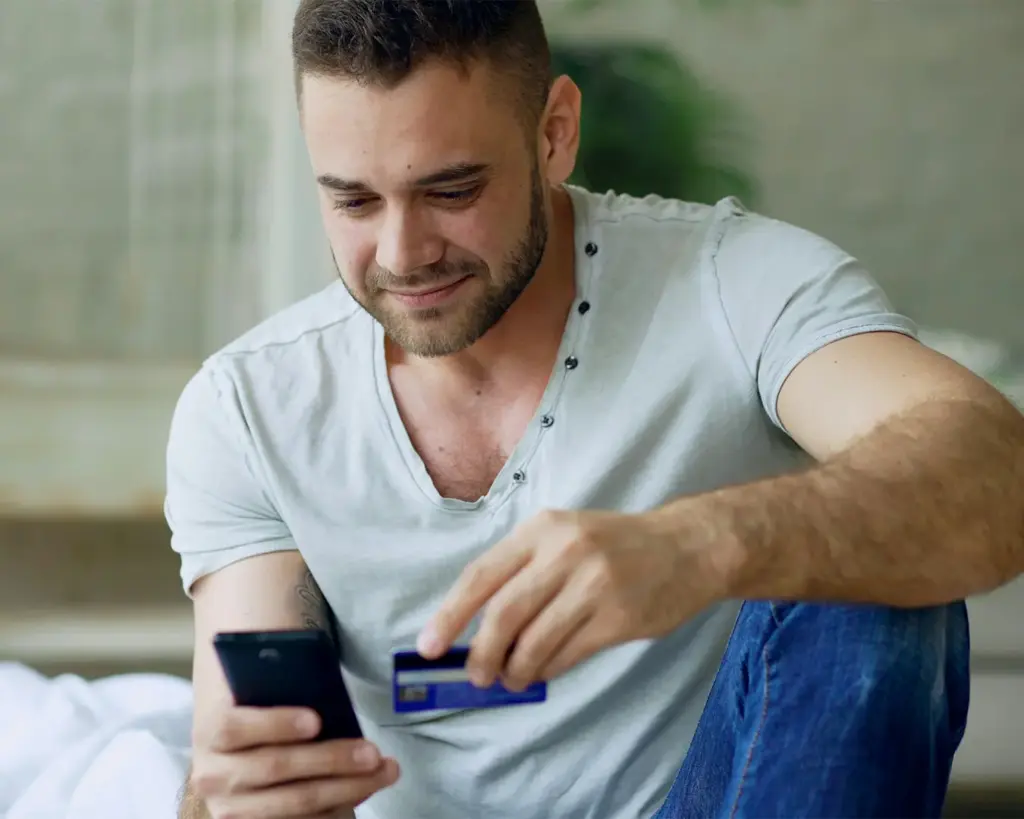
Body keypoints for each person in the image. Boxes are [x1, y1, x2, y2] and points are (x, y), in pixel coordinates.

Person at [166, 2, 1024, 818]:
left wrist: (698, 545)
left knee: (879, 571)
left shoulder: (732, 286)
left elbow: (995, 470)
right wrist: (233, 793)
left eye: (452, 190)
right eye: (353, 200)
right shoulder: (249, 409)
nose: (402, 254)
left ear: (553, 133)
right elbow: (241, 753)